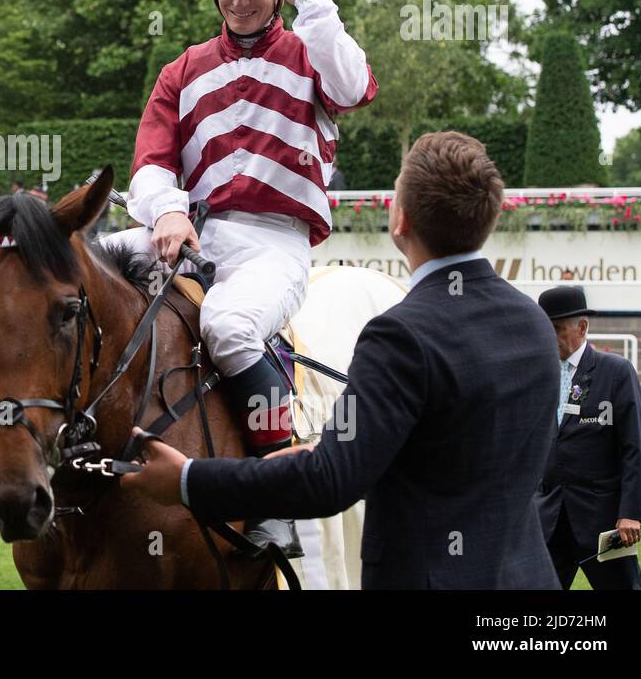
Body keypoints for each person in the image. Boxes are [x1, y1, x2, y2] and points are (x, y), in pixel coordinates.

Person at [123, 131, 562, 589]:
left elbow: (330, 478)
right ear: (489, 218)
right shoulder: (534, 323)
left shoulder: (399, 334)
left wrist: (189, 479)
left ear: (400, 221)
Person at [105, 0, 377, 551]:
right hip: (192, 230)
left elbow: (356, 82)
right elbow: (149, 162)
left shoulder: (312, 54)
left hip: (274, 242)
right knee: (81, 268)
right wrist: (166, 209)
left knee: (227, 325)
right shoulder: (183, 70)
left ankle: (273, 496)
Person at [533, 285, 641, 589]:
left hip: (605, 522)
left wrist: (631, 513)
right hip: (549, 519)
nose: (548, 337)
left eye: (556, 329)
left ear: (582, 327)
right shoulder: (540, 374)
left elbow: (634, 446)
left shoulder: (616, 371)